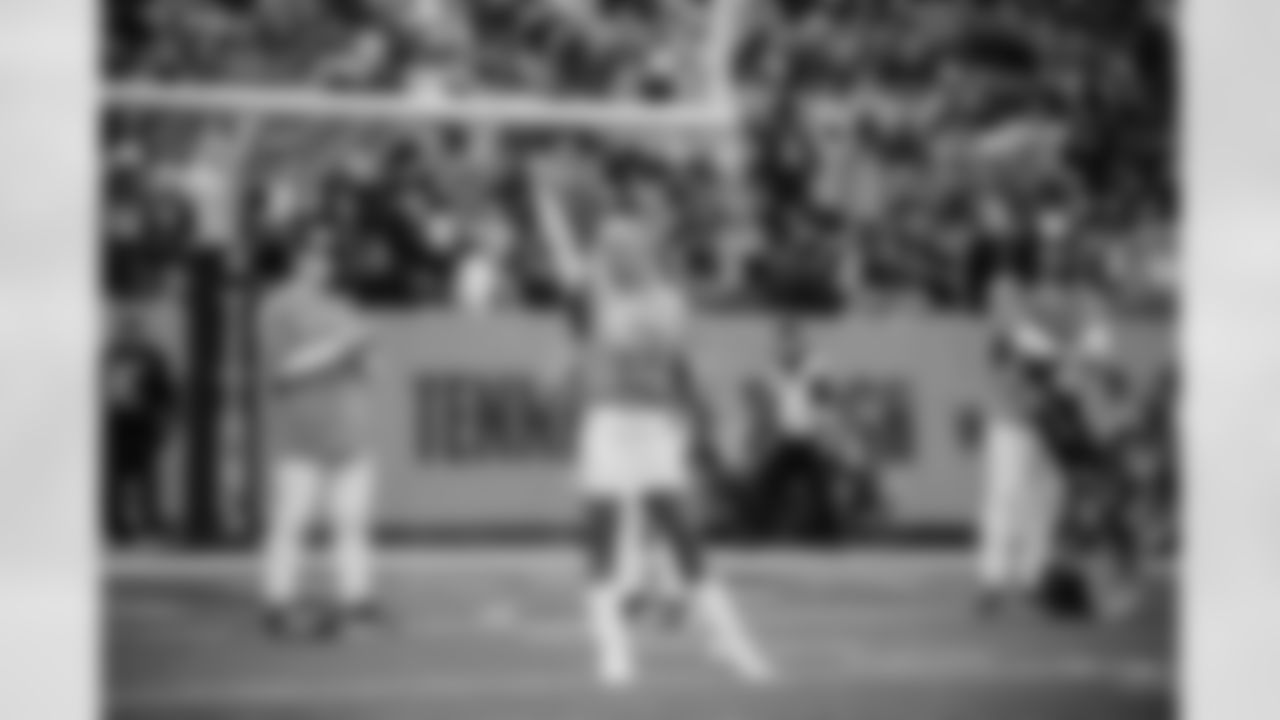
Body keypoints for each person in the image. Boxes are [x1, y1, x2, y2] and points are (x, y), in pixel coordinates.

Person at [554, 214, 773, 687]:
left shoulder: (668, 302)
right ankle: (613, 652)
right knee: (602, 537)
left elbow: (684, 368)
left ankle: (730, 641)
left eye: (626, 248)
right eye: (609, 249)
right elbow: (580, 328)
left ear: (644, 253)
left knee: (683, 534)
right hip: (609, 422)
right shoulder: (594, 297)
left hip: (656, 425)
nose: (616, 257)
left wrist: (712, 422)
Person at [258, 225, 380, 639]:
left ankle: (357, 600)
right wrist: (340, 348)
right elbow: (282, 369)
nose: (322, 264)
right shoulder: (279, 306)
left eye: (327, 256)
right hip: (302, 433)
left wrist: (360, 354)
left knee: (353, 523)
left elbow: (363, 365)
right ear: (298, 260)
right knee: (291, 523)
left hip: (349, 430)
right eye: (314, 255)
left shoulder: (343, 306)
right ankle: (278, 601)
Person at [103, 318, 176, 545]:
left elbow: (166, 392)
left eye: (133, 332)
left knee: (145, 477)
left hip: (141, 424)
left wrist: (164, 419)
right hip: (115, 424)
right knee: (115, 478)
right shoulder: (108, 357)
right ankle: (117, 526)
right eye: (126, 332)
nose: (130, 337)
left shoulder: (152, 359)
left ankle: (147, 522)